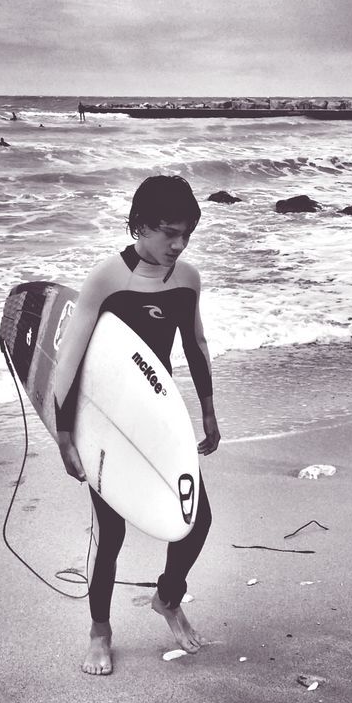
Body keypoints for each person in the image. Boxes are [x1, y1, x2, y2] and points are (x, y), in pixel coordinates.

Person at [50, 175, 221, 676]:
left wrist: (209, 411)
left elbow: (196, 345)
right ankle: (99, 631)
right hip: (110, 423)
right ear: (139, 226)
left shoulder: (186, 278)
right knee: (112, 531)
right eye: (168, 231)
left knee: (197, 520)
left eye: (186, 232)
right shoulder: (107, 279)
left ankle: (168, 597)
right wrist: (65, 437)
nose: (178, 244)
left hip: (157, 416)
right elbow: (69, 360)